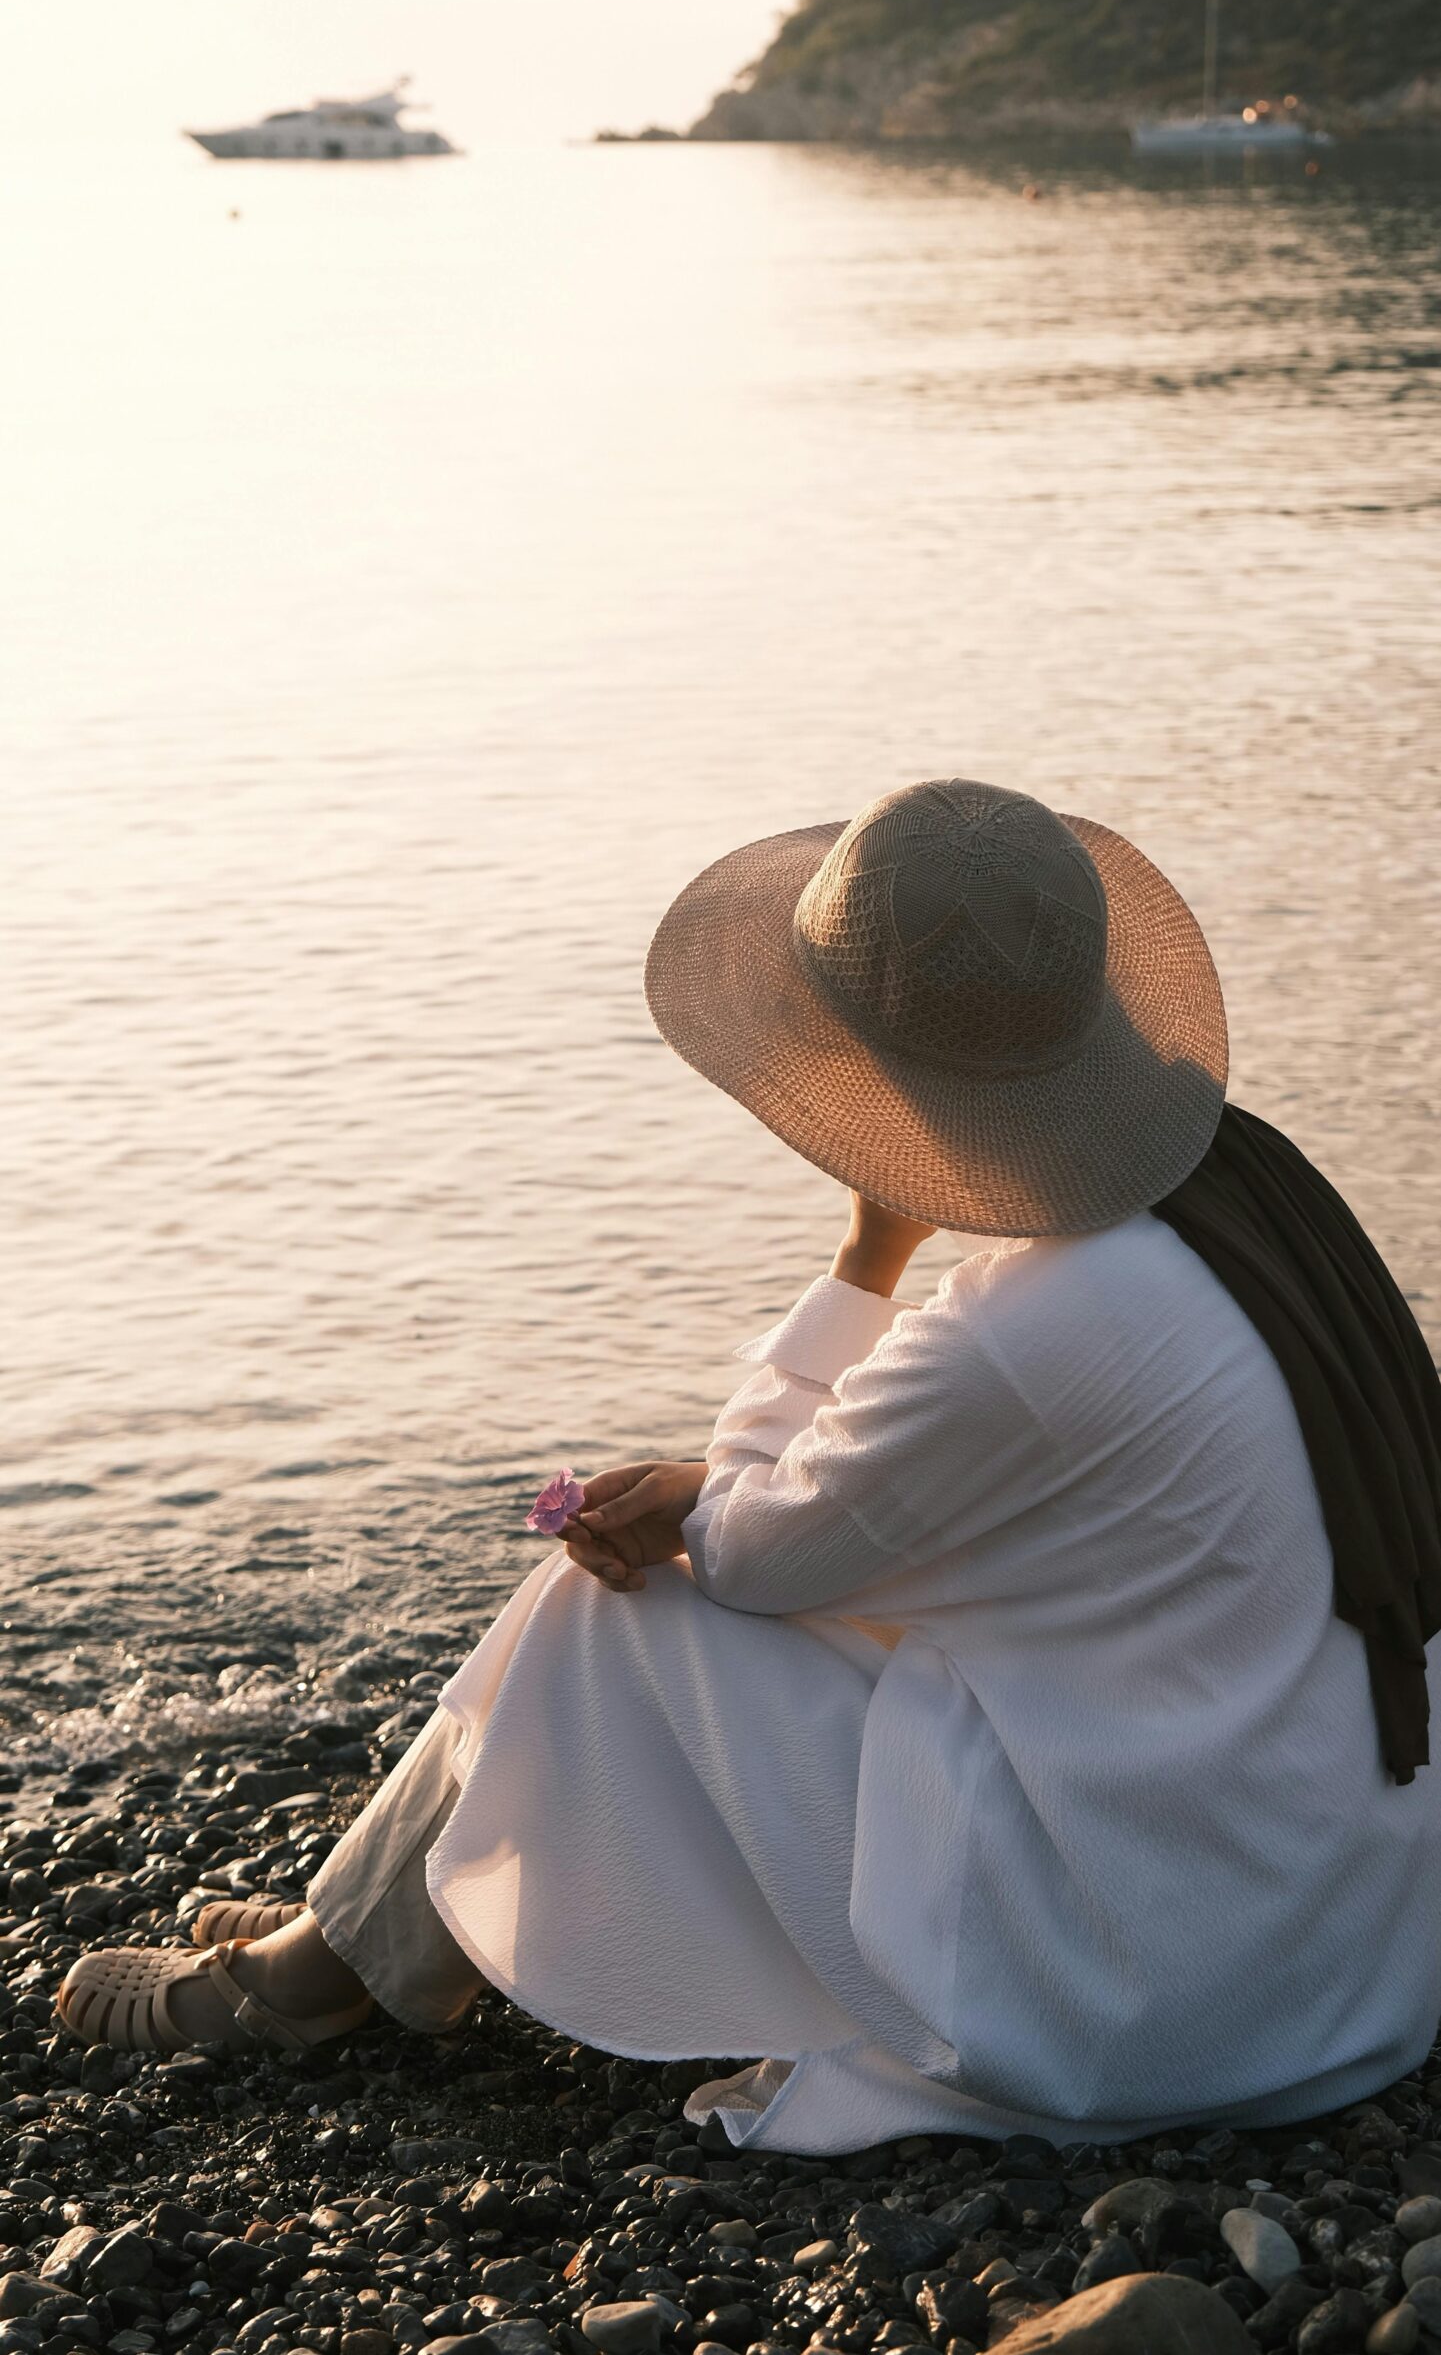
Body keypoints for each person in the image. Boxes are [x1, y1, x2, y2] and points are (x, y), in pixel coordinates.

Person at [59, 778, 1441, 2154]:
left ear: (877, 1076)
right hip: (1325, 1946)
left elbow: (756, 1562)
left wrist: (864, 1262)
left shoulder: (1021, 1324)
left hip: (1153, 2004)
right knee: (672, 1554)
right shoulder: (1246, 1192)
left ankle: (320, 1973)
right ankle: (369, 1913)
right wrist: (714, 1489)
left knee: (613, 1601)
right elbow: (925, 1501)